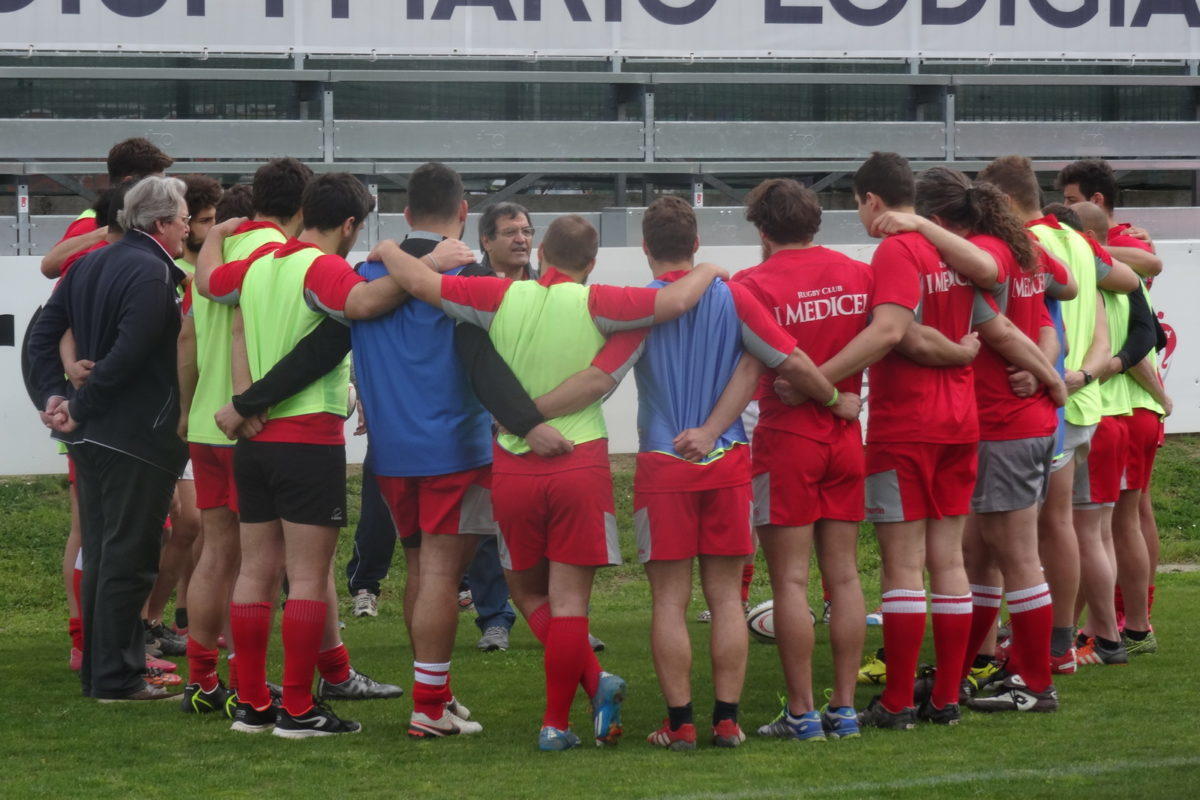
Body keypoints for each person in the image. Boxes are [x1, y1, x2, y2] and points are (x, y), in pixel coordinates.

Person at [380, 214, 726, 750]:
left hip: (513, 466)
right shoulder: (600, 300)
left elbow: (419, 282)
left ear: (540, 251)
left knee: (527, 591)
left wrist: (384, 246)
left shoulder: (498, 295)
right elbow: (677, 302)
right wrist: (708, 269)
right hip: (578, 463)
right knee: (569, 603)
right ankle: (555, 724)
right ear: (592, 263)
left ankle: (572, 703)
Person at [201, 173, 473, 738]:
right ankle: (299, 708)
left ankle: (252, 703)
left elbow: (214, 296)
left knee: (254, 570)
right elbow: (366, 304)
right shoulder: (323, 268)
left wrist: (245, 401)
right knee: (307, 575)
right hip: (306, 437)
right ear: (350, 225)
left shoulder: (260, 263)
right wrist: (429, 266)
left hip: (252, 439)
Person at [611, 196, 855, 749]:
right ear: (697, 245)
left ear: (645, 248)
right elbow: (790, 361)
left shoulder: (638, 304)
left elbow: (602, 374)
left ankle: (680, 726)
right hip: (727, 463)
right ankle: (727, 720)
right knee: (727, 598)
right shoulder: (735, 295)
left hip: (662, 461)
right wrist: (835, 397)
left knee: (669, 602)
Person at [349, 163, 568, 737]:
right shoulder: (465, 270)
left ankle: (436, 695)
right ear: (465, 212)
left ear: (404, 213)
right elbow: (485, 362)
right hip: (455, 447)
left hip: (392, 452)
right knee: (443, 576)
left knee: (422, 570)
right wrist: (530, 421)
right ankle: (427, 708)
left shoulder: (368, 270)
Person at [875, 169, 1072, 714]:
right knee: (978, 556)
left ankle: (1035, 681)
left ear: (939, 220)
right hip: (1008, 416)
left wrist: (1044, 372)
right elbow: (1064, 294)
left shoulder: (984, 250)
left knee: (1013, 555)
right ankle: (959, 674)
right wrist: (1047, 365)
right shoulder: (1022, 244)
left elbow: (999, 309)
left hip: (1001, 416)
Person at [849, 153, 1002, 730]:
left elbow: (896, 336)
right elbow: (990, 273)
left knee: (903, 567)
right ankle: (944, 697)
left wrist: (816, 377)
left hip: (906, 423)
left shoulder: (895, 248)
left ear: (872, 200)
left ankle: (895, 704)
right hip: (960, 420)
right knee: (948, 561)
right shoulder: (949, 245)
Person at [976, 155, 1142, 675]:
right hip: (1080, 397)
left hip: (1039, 396)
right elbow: (1129, 283)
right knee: (1065, 528)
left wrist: (1048, 369)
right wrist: (1088, 371)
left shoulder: (1027, 244)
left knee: (1017, 532)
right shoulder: (1077, 240)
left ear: (1003, 202)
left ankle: (1029, 648)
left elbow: (1036, 316)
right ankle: (1061, 642)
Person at [28, 175, 191, 702]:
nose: (189, 228)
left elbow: (41, 335)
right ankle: (117, 677)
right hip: (135, 435)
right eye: (185, 219)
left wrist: (53, 398)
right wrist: (74, 405)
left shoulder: (92, 263)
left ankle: (101, 673)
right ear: (162, 223)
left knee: (102, 556)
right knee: (128, 558)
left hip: (96, 435)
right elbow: (132, 352)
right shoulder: (151, 272)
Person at [729, 179, 880, 739]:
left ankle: (803, 712)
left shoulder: (751, 283)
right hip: (845, 435)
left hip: (787, 439)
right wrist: (840, 393)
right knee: (842, 577)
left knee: (790, 582)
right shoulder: (857, 274)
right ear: (815, 222)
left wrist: (819, 390)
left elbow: (765, 363)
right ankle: (843, 709)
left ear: (762, 230)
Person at [181, 158, 312, 715]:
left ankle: (204, 682)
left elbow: (187, 340)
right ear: (303, 207)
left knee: (216, 555)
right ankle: (249, 684)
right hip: (250, 422)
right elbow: (248, 331)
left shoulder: (213, 250)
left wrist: (189, 412)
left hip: (206, 425)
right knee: (263, 562)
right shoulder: (275, 257)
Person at [40, 137, 174, 279]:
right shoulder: (93, 220)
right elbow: (49, 266)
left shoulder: (158, 219)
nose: (161, 192)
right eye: (155, 185)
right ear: (129, 182)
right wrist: (110, 231)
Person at [479, 201, 536, 280]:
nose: (521, 239)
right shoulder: (468, 288)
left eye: (526, 231)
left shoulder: (547, 286)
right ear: (486, 242)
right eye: (510, 232)